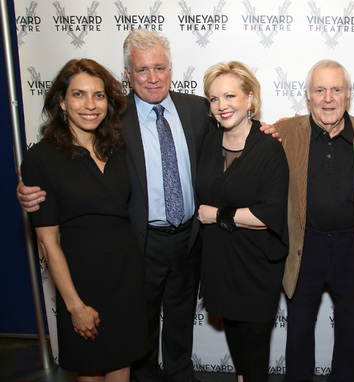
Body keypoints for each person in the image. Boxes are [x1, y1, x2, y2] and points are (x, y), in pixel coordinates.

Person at [17, 29, 211, 382]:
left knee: (181, 326)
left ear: (171, 69)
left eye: (160, 68)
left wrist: (272, 131)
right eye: (141, 70)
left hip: (189, 241)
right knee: (139, 338)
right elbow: (65, 168)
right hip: (139, 245)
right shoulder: (112, 120)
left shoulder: (198, 110)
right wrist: (27, 188)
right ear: (127, 74)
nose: (152, 78)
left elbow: (235, 133)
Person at [20, 58, 148, 381]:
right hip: (80, 280)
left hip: (125, 275)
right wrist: (75, 305)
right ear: (62, 102)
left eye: (99, 95)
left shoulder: (119, 146)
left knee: (122, 364)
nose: (90, 105)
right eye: (79, 95)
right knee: (90, 370)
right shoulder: (41, 158)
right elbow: (49, 244)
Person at [274, 59, 354, 382]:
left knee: (352, 331)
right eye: (320, 90)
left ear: (348, 95)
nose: (328, 98)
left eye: (336, 89)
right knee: (299, 330)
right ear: (308, 97)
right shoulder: (285, 131)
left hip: (353, 247)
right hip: (305, 245)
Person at [196, 61, 289, 382]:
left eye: (230, 96)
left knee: (254, 357)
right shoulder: (208, 143)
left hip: (256, 267)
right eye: (214, 98)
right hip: (220, 264)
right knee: (239, 353)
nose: (222, 106)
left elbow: (269, 214)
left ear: (250, 99)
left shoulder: (269, 148)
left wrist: (216, 214)